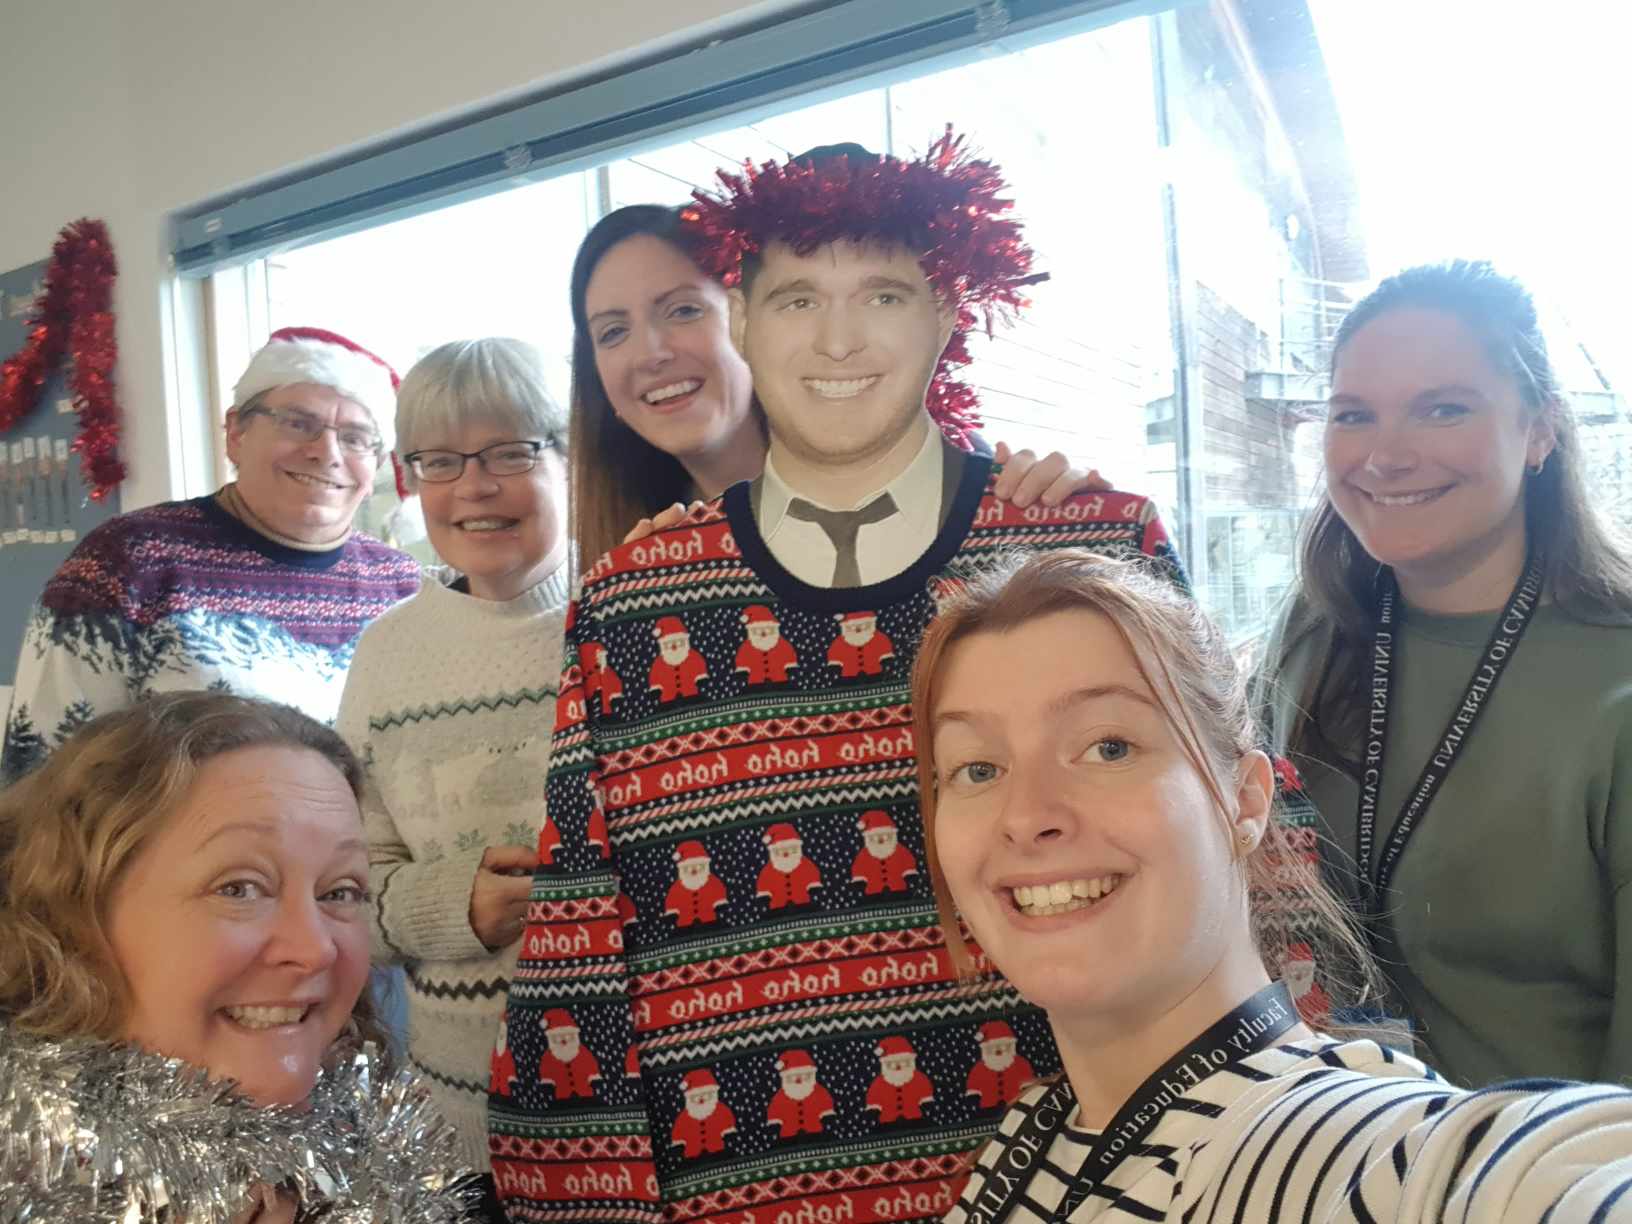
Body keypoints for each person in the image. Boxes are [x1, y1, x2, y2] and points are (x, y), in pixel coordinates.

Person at [492, 132, 1184, 1224]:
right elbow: (582, 940)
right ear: (746, 321)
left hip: (1090, 1189)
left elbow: (1245, 879)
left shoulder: (1095, 551)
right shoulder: (633, 602)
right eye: (799, 298)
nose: (842, 338)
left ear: (948, 315)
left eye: (886, 293)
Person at [919, 549, 1632, 1222]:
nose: (1028, 816)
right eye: (978, 768)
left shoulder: (1357, 1155)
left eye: (1109, 747)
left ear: (1247, 801)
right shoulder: (1030, 1140)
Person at [1258, 260, 1632, 1087]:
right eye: (1355, 414)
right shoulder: (1312, 634)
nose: (1386, 455)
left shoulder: (1614, 685)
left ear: (1540, 430)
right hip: (1319, 1160)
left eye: (1444, 408)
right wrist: (1061, 518)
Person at [0, 691, 468, 1222]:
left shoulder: (384, 1158)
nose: (316, 950)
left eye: (339, 891)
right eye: (240, 888)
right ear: (76, 917)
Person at [335, 338, 570, 1217]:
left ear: (565, 457)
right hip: (464, 1126)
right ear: (412, 479)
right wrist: (452, 906)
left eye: (512, 451)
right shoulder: (386, 657)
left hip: (652, 1102)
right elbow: (348, 890)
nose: (476, 486)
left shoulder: (626, 607)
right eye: (441, 460)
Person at [568, 202, 1106, 565]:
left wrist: (1068, 515)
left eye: (683, 310)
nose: (651, 353)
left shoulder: (973, 499)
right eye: (613, 332)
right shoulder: (643, 560)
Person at [1, 326, 421, 785]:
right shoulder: (128, 560)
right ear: (236, 433)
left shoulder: (404, 586)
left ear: (379, 462)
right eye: (298, 423)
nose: (327, 452)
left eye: (357, 437)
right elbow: (40, 771)